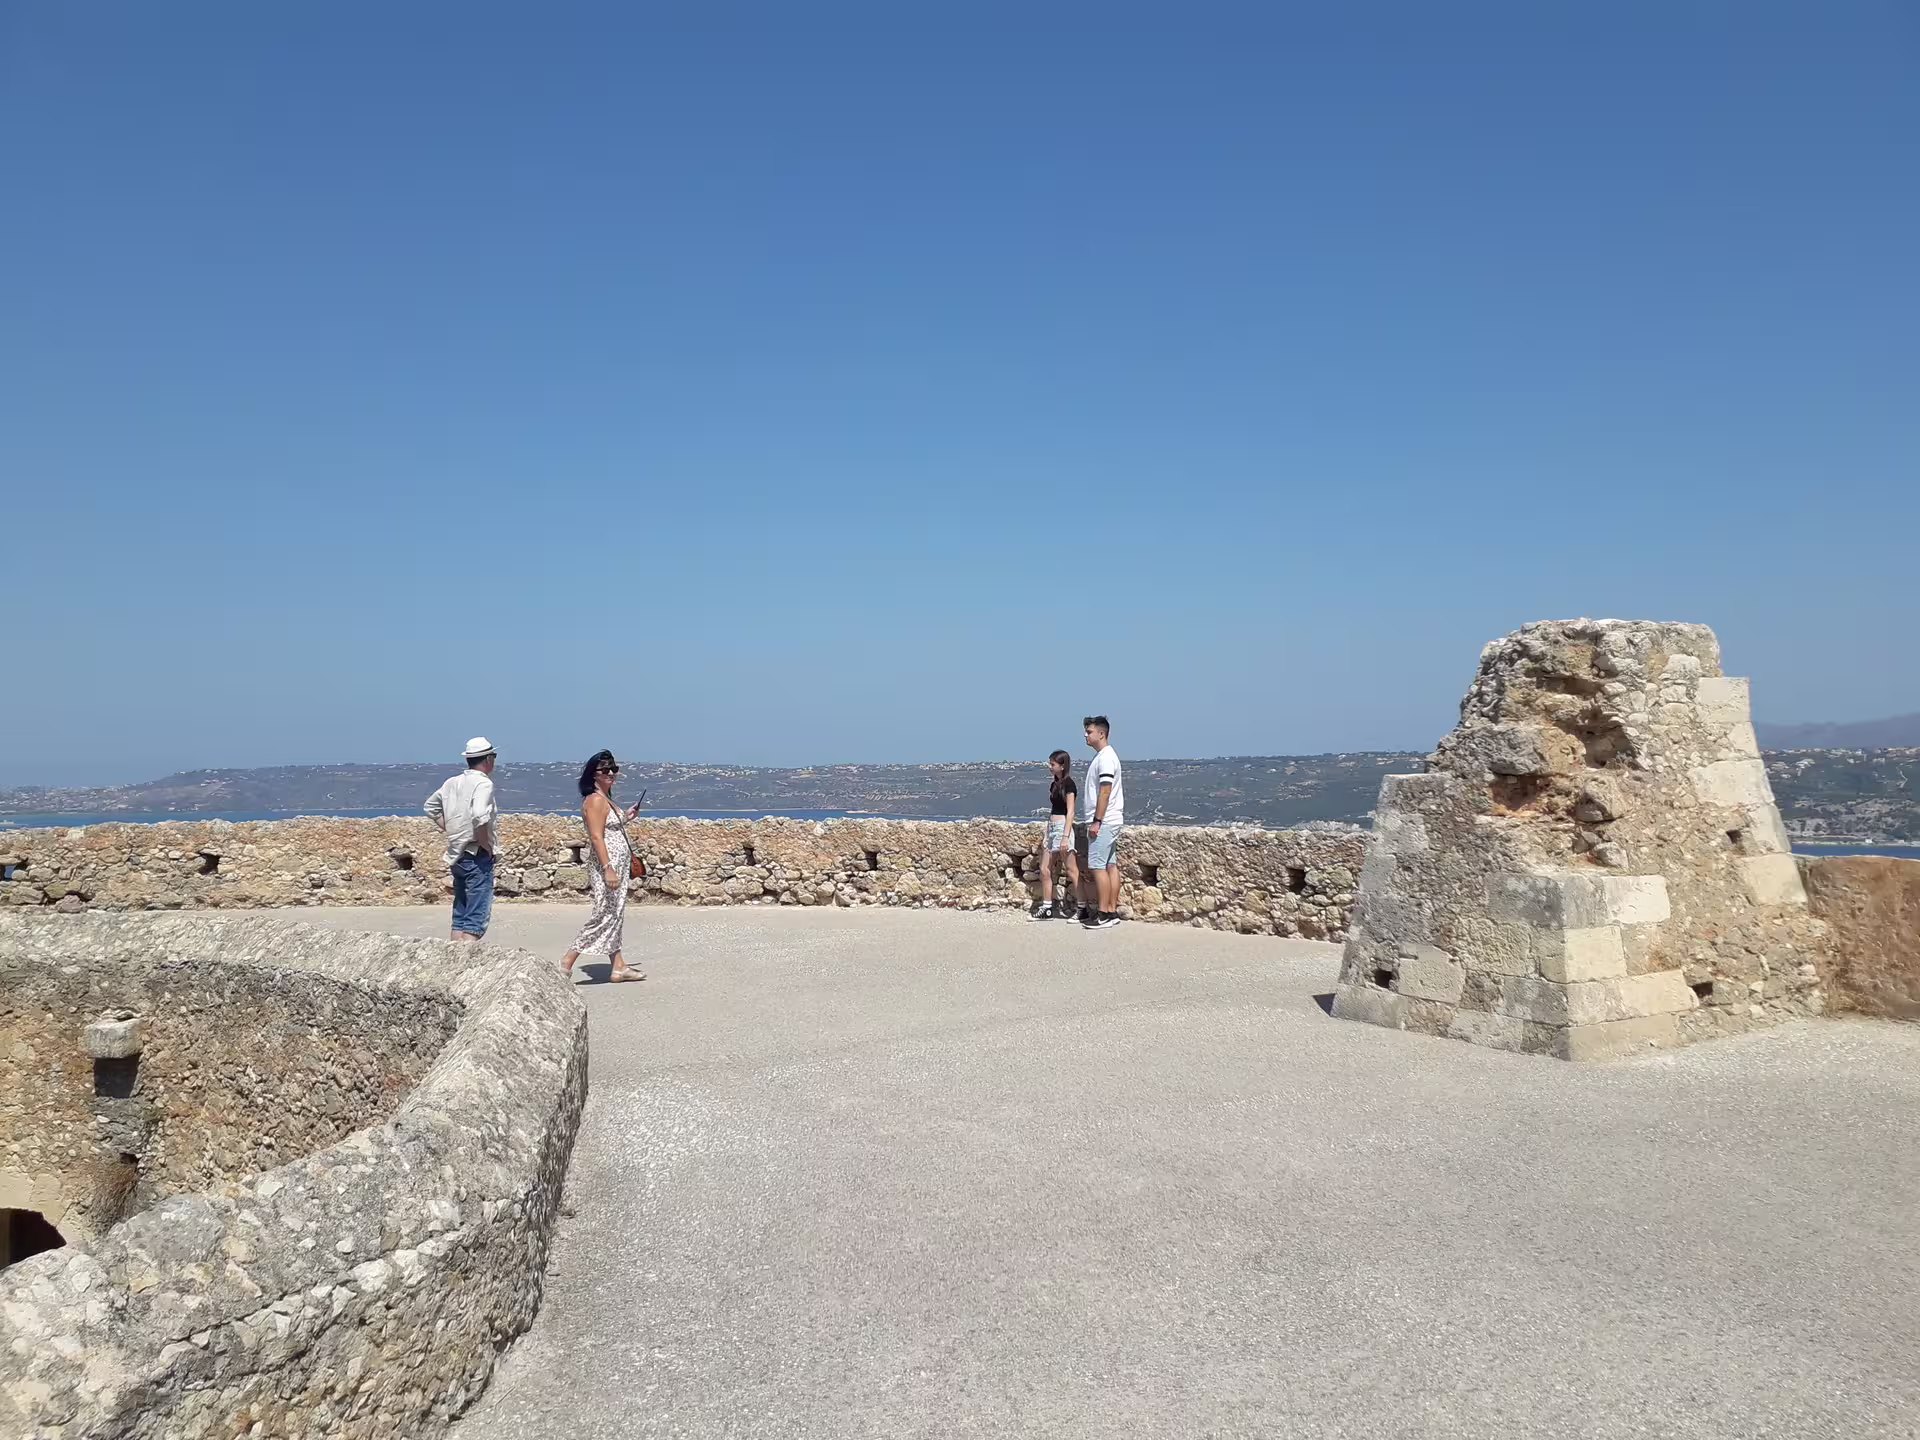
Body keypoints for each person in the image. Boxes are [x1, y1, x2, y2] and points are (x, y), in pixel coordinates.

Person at [560, 749, 645, 983]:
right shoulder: (595, 800)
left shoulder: (605, 799)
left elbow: (609, 828)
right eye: (605, 770)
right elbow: (597, 837)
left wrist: (626, 816)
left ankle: (619, 967)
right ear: (593, 775)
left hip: (615, 864)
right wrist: (608, 868)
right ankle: (567, 962)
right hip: (607, 866)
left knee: (614, 913)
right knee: (604, 914)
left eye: (613, 769)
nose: (611, 774)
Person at [425, 737, 499, 943]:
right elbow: (479, 815)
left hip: (456, 853)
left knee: (460, 912)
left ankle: (452, 961)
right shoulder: (483, 783)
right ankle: (466, 962)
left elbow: (430, 807)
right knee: (476, 915)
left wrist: (453, 829)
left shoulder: (451, 782)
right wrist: (486, 845)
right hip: (476, 852)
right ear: (488, 759)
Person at [1075, 715, 1125, 929]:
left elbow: (1105, 791)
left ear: (1101, 733)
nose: (1085, 735)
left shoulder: (1105, 758)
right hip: (1112, 820)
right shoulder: (1106, 756)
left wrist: (1097, 820)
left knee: (1097, 867)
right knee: (1110, 866)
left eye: (1089, 732)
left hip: (1104, 822)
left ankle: (1103, 913)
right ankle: (1111, 911)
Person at [1030, 749, 1080, 920]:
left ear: (1062, 765)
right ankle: (1047, 907)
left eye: (1053, 764)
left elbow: (1071, 811)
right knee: (1045, 869)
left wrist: (1065, 836)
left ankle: (1082, 907)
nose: (1049, 767)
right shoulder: (1054, 785)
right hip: (1051, 828)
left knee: (1072, 870)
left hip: (1062, 828)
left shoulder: (1069, 785)